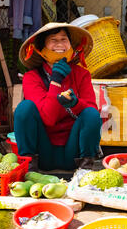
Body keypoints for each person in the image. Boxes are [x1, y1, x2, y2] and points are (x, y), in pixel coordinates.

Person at [14, 22, 102, 171]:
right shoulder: (32, 77)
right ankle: (29, 168)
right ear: (41, 49)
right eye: (53, 40)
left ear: (71, 46)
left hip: (73, 153)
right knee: (24, 108)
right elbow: (49, 118)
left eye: (64, 39)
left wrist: (75, 103)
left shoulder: (81, 74)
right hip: (43, 153)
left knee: (91, 113)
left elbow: (92, 114)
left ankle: (86, 169)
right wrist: (56, 81)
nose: (59, 44)